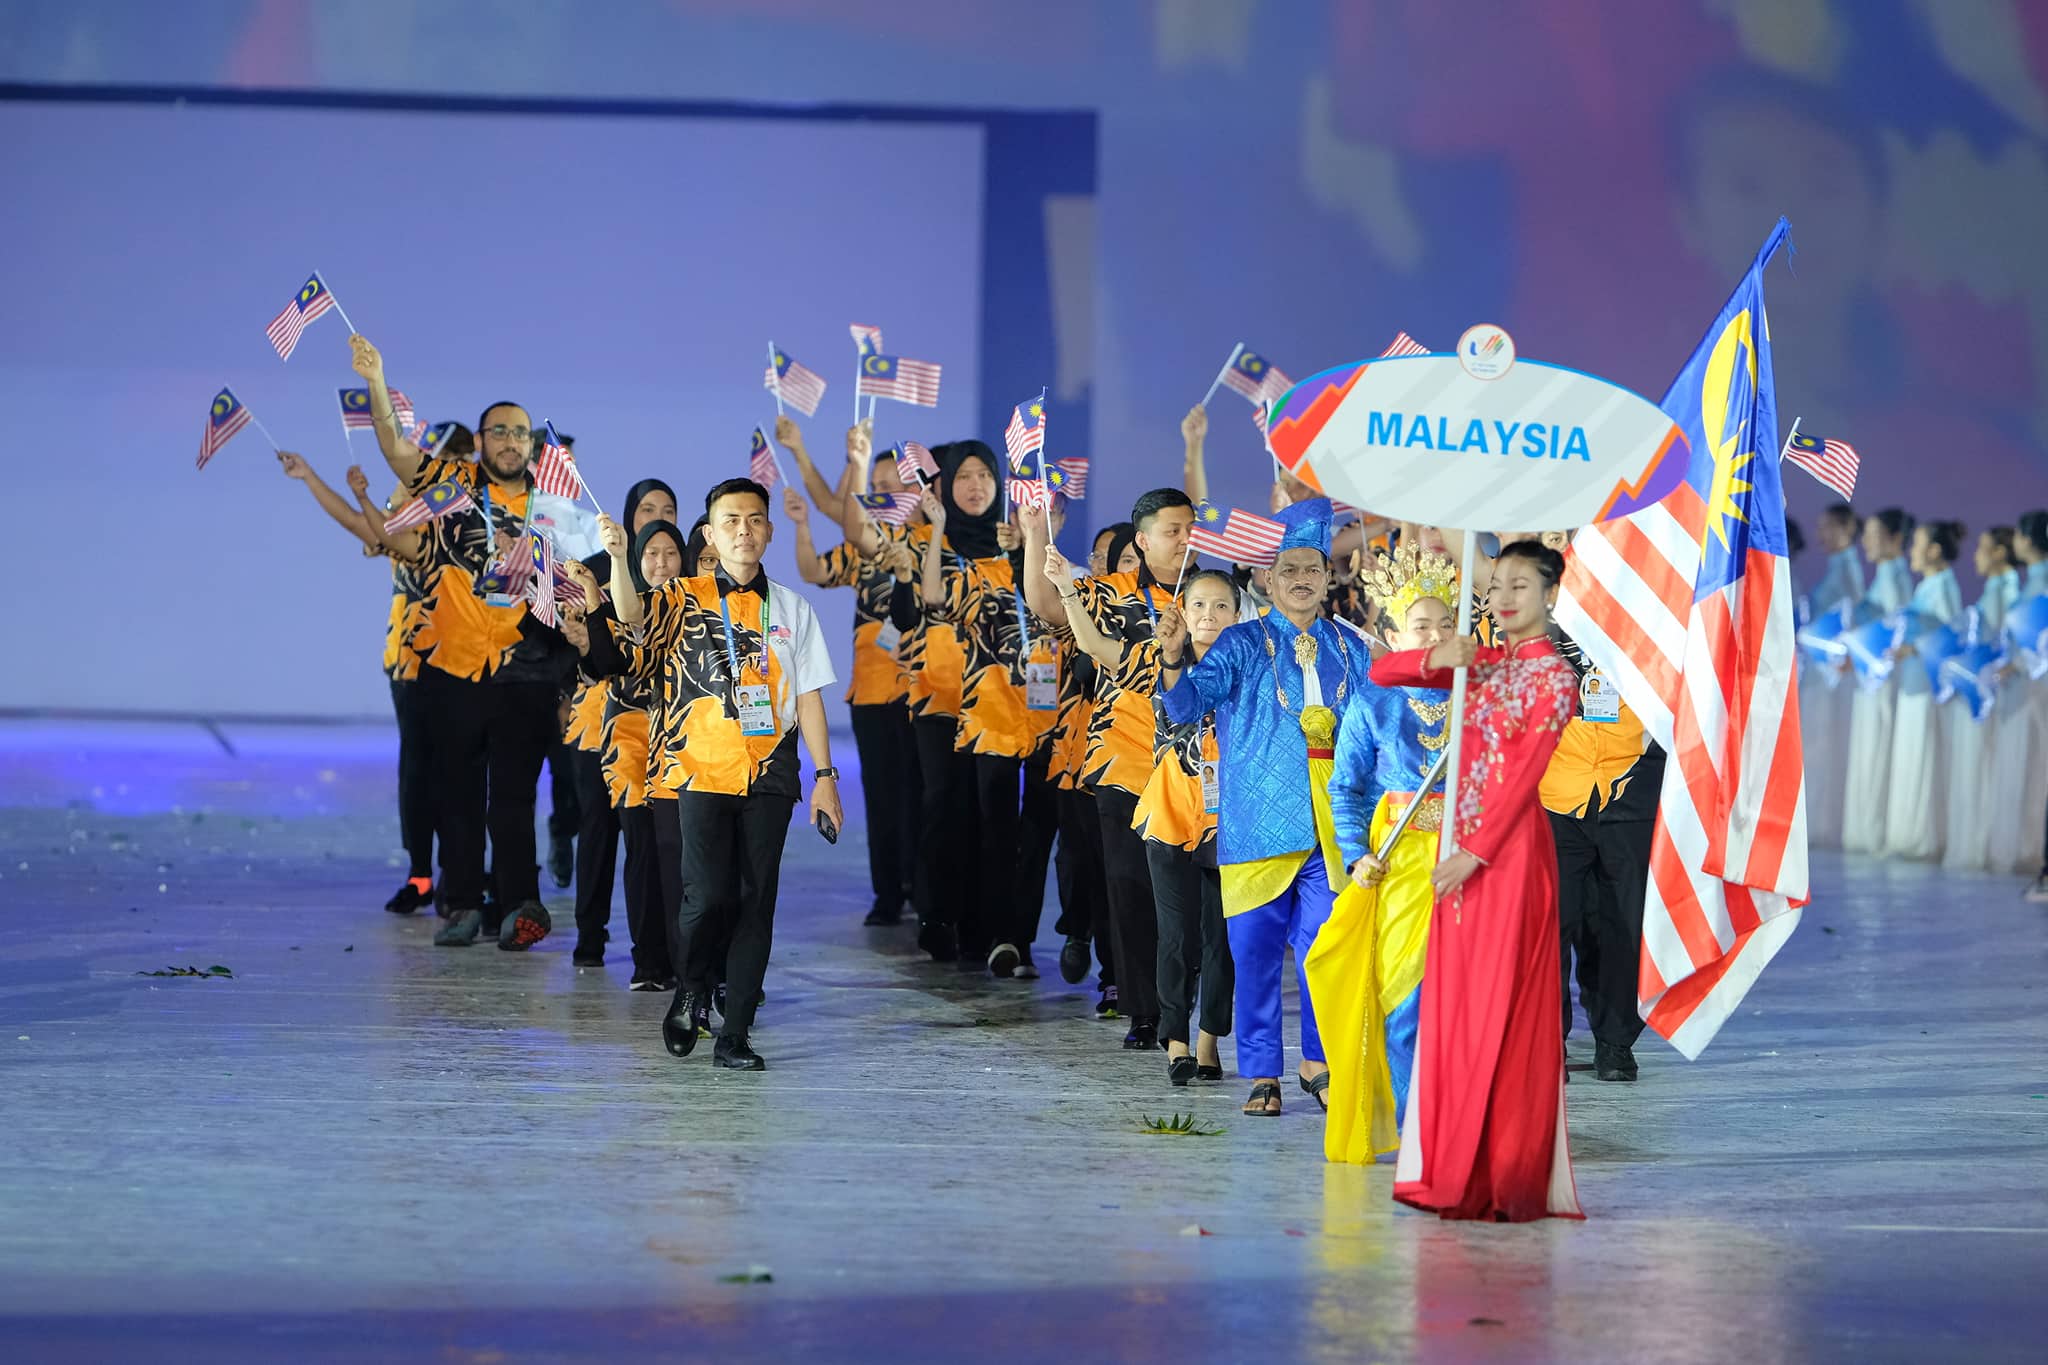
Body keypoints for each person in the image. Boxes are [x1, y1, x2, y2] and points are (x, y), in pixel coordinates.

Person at [1373, 540, 1583, 1222]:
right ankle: (1453, 1169)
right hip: (1458, 854)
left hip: (1510, 860)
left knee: (1503, 1010)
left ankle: (1506, 1175)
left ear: (1551, 592)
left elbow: (1524, 779)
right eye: (1496, 584)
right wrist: (1441, 656)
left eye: (1521, 583)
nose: (1505, 595)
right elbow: (1382, 670)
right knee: (1456, 1011)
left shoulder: (1554, 678)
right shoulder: (1485, 667)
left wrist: (1478, 852)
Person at [600, 478, 841, 1071]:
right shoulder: (681, 597)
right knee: (705, 896)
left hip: (771, 769)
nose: (744, 530)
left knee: (756, 900)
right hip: (700, 765)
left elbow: (808, 697)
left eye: (754, 519)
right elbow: (631, 618)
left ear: (768, 530)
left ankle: (735, 1034)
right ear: (709, 533)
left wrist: (825, 775)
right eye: (730, 520)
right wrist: (616, 559)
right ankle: (692, 986)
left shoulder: (792, 609)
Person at [351, 334, 577, 951]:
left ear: (532, 444)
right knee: (457, 795)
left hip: (523, 673)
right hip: (453, 669)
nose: (511, 443)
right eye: (500, 432)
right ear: (481, 442)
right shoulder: (451, 485)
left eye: (521, 434)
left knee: (511, 798)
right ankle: (461, 904)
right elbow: (398, 453)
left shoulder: (554, 507)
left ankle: (518, 905)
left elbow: (576, 589)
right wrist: (376, 379)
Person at [1155, 498, 1375, 1116]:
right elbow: (1184, 707)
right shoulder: (1241, 644)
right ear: (1266, 579)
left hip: (1334, 827)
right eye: (1288, 570)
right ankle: (1261, 1073)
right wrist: (1174, 657)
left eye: (1313, 568)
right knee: (1251, 953)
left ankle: (1317, 1062)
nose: (1302, 579)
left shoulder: (1353, 649)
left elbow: (1374, 728)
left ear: (1329, 577)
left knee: (1323, 951)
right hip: (1257, 825)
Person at [1026, 487, 1201, 1049]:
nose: (1183, 539)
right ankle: (1142, 1011)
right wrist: (1034, 537)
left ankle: (1188, 1005)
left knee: (1191, 892)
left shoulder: (1211, 597)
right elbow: (1048, 608)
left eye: (1188, 528)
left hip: (1196, 763)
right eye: (1171, 530)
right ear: (1142, 540)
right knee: (1129, 887)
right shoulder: (1111, 591)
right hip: (1123, 758)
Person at [1315, 542, 1458, 1159]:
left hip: (1467, 860)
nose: (1435, 634)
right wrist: (1354, 855)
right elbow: (1344, 789)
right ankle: (1414, 1126)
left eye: (1446, 624)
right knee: (1404, 998)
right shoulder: (1373, 703)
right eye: (1422, 626)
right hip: (1399, 865)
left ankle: (1460, 1121)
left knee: (1464, 1001)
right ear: (1393, 632)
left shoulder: (1477, 698)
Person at [926, 490, 1070, 976]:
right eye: (1033, 511)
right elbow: (936, 602)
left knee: (1037, 835)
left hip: (1053, 726)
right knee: (996, 832)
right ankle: (999, 936)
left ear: (1063, 519)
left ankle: (1019, 937)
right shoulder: (984, 574)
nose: (1041, 519)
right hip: (992, 720)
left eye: (1052, 513)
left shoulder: (1074, 581)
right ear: (1014, 516)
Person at [788, 421, 925, 928]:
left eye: (898, 484)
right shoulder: (863, 547)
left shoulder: (934, 543)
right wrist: (802, 526)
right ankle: (887, 893)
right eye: (880, 486)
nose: (888, 493)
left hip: (925, 692)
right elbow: (813, 571)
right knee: (884, 798)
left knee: (922, 795)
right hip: (869, 691)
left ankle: (922, 889)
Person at [1123, 565, 1237, 1085]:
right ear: (1183, 613)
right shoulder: (1165, 659)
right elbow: (1172, 719)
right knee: (1175, 937)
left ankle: (1210, 1042)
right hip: (1171, 812)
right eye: (1198, 606)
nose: (1209, 616)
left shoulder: (1252, 664)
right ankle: (1176, 1042)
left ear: (1238, 614)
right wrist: (1171, 657)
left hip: (1230, 819)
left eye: (1220, 607)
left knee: (1222, 938)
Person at [564, 478, 678, 968]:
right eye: (648, 508)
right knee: (597, 829)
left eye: (668, 509)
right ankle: (590, 937)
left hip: (669, 729)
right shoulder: (596, 571)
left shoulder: (683, 581)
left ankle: (658, 952)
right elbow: (591, 658)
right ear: (629, 518)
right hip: (604, 724)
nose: (659, 515)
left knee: (650, 842)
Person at [1541, 631, 1664, 1083]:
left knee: (1622, 921)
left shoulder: (1642, 614)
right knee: (1551, 923)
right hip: (1554, 787)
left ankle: (1615, 1041)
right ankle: (1545, 1041)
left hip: (1631, 782)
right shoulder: (1539, 620)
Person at [903, 443, 1004, 963]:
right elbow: (922, 602)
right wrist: (937, 529)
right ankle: (938, 913)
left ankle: (986, 924)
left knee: (991, 811)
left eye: (984, 475)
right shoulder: (923, 540)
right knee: (944, 804)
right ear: (944, 487)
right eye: (963, 475)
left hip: (1000, 700)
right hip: (940, 695)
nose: (975, 485)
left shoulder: (1010, 540)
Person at [1883, 520, 1964, 861]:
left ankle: (1922, 837)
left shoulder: (1944, 587)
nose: (1911, 551)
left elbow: (1951, 638)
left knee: (1923, 756)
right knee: (1909, 755)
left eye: (1916, 544)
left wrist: (1913, 648)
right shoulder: (1927, 586)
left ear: (1934, 550)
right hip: (1912, 683)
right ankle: (1905, 835)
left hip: (1928, 686)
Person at [1942, 527, 2020, 873]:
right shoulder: (1995, 590)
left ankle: (1987, 841)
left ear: (2001, 553)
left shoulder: (2008, 591)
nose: (1976, 556)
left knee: (1984, 763)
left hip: (1988, 691)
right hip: (1976, 685)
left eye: (1983, 548)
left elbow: (2004, 643)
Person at [1841, 509, 1916, 855]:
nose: (1867, 541)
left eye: (1874, 534)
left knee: (1878, 748)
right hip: (1869, 676)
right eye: (1866, 534)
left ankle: (1877, 829)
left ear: (1895, 539)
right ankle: (1865, 830)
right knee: (1868, 749)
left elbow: (1895, 631)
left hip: (1882, 679)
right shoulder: (1883, 576)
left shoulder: (1896, 578)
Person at [1801, 502, 1864, 849]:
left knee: (1824, 744)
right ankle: (1818, 818)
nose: (1820, 534)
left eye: (1827, 527)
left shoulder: (1847, 570)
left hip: (1830, 675)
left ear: (1845, 528)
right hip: (1819, 672)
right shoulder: (1838, 569)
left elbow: (1850, 619)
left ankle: (1825, 822)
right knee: (1817, 744)